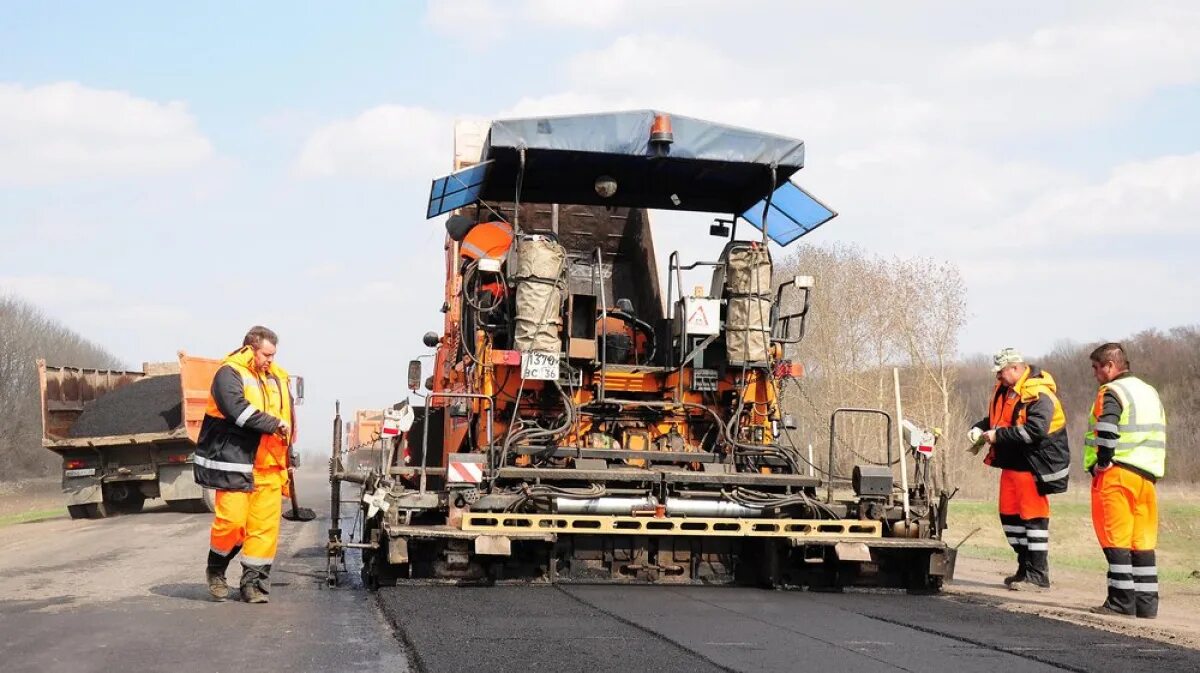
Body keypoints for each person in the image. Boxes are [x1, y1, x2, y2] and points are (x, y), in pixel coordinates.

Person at [194, 326, 295, 603]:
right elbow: (237, 410)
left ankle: (252, 586)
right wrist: (274, 424)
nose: (270, 360)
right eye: (266, 354)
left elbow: (288, 417)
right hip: (236, 466)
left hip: (271, 468)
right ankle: (216, 570)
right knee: (232, 524)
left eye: (273, 355)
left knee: (263, 532)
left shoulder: (278, 378)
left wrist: (289, 458)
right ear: (250, 347)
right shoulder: (229, 373)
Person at [970, 347, 1070, 592]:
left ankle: (1038, 575)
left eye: (1001, 372)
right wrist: (980, 427)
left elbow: (1035, 431)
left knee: (1033, 521)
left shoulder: (1038, 393)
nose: (998, 377)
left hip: (1032, 467)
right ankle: (1024, 568)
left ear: (1015, 368)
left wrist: (998, 435)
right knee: (1010, 519)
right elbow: (1001, 419)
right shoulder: (1006, 390)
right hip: (1011, 466)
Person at [1085, 342, 1166, 619]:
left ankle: (1120, 602)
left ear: (1110, 366)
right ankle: (1146, 604)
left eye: (1097, 368)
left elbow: (1107, 427)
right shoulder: (1149, 391)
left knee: (1115, 539)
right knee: (1141, 542)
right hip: (1147, 477)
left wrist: (1103, 461)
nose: (1095, 374)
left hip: (1118, 474)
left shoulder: (1113, 391)